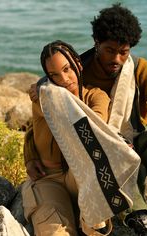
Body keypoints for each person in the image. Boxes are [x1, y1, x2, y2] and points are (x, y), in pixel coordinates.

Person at [27, 4, 147, 236]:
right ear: (96, 42)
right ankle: (139, 220)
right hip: (96, 150)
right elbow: (49, 116)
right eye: (109, 50)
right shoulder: (77, 70)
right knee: (108, 155)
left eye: (123, 52)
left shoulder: (140, 69)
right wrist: (31, 153)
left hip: (134, 140)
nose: (116, 58)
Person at [22, 40, 112, 236]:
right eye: (54, 75)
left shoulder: (97, 97)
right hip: (48, 178)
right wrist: (29, 156)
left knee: (95, 161)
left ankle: (94, 227)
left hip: (82, 179)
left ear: (78, 65)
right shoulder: (44, 98)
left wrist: (42, 86)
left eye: (67, 69)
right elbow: (32, 130)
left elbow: (93, 128)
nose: (63, 79)